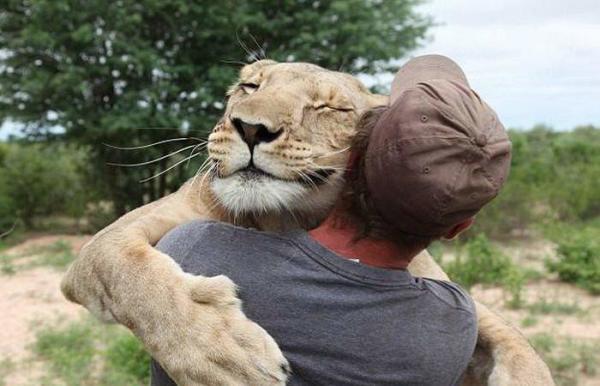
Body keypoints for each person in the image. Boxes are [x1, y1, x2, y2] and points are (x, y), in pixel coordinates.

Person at [150, 55, 511, 385]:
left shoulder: (194, 250)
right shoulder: (453, 322)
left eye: (332, 108)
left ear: (354, 159)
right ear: (458, 228)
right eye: (249, 87)